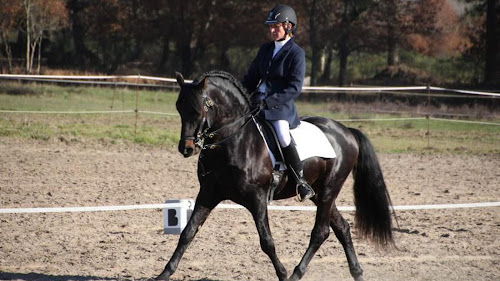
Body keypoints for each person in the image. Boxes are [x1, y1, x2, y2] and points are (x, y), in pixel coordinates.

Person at [242, 4, 314, 202]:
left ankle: (300, 180)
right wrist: (240, 94)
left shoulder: (296, 53)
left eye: (277, 26)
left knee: (282, 135)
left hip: (280, 107)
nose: (272, 30)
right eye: (271, 27)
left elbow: (294, 88)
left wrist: (268, 102)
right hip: (256, 102)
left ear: (289, 27)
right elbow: (250, 78)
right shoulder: (265, 49)